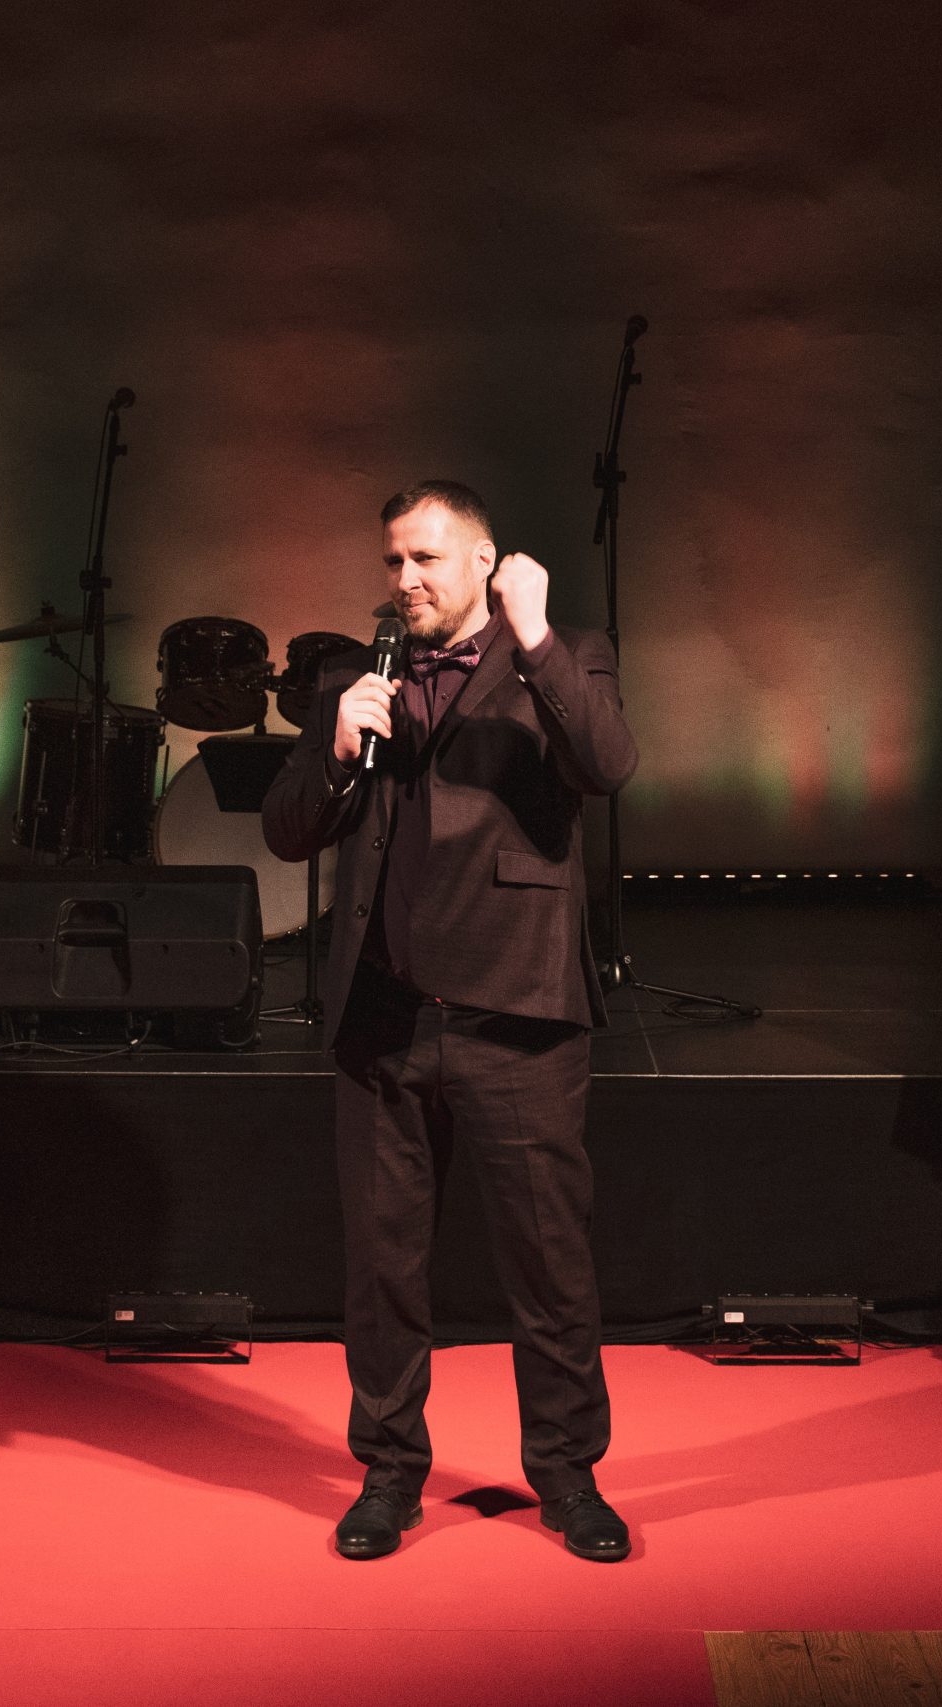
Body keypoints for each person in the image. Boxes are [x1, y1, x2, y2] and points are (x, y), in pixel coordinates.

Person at [262, 480, 637, 1563]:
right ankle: (388, 1473)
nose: (405, 579)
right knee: (383, 1270)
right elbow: (287, 830)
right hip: (383, 1019)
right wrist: (337, 749)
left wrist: (537, 640)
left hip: (516, 1015)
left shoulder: (566, 654)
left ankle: (568, 1476)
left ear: (484, 561)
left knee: (548, 1264)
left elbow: (607, 764)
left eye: (426, 558)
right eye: (393, 561)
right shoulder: (354, 674)